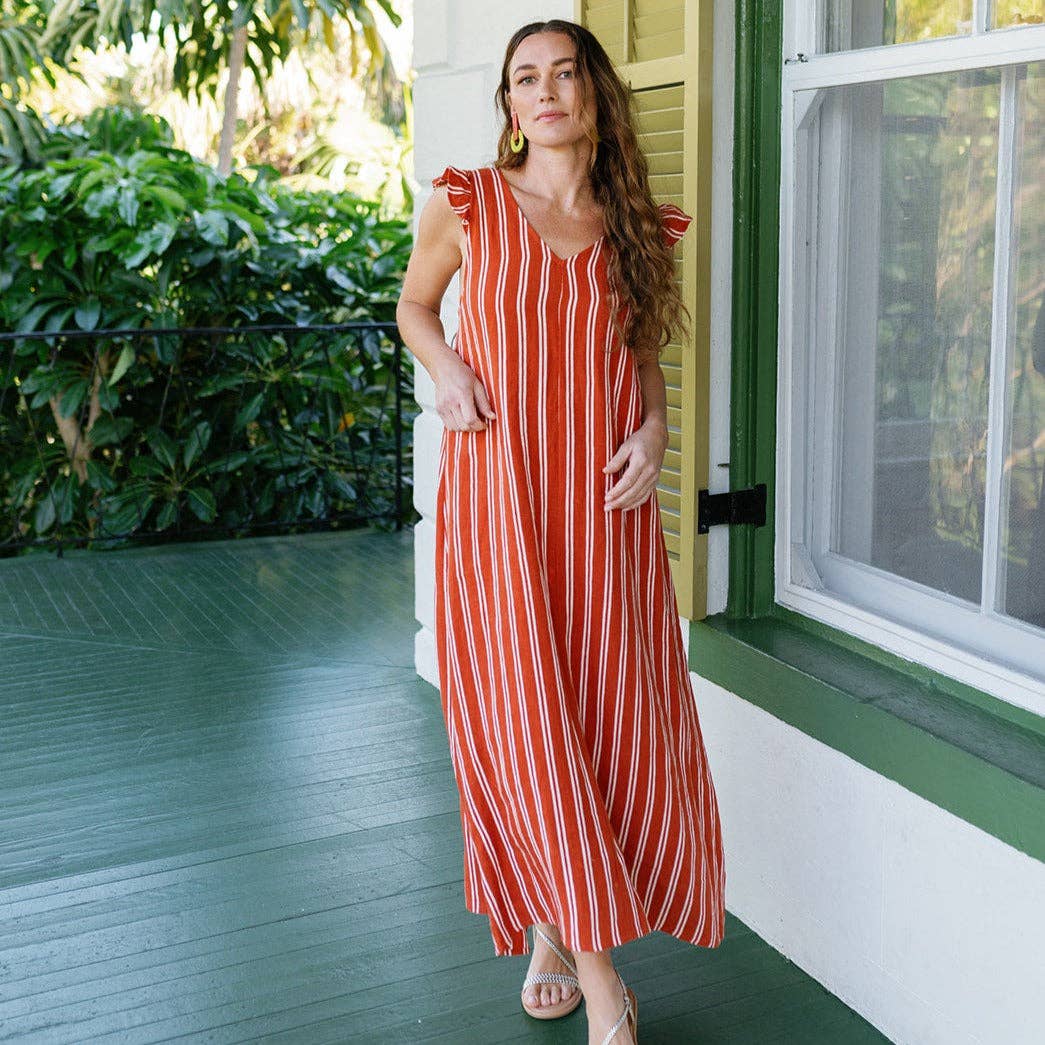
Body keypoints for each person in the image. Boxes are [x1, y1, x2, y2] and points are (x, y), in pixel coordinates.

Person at [396, 18, 726, 1044]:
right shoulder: (469, 202)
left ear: (594, 95)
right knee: (526, 725)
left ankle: (551, 923)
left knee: (600, 723)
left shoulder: (637, 229)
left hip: (603, 518)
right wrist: (447, 369)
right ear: (508, 103)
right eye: (522, 79)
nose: (542, 92)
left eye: (562, 73)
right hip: (499, 509)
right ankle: (601, 976)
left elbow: (640, 361)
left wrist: (658, 431)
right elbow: (415, 308)